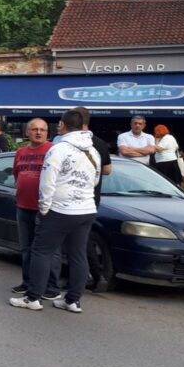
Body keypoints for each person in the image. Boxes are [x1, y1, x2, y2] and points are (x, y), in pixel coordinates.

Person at [11, 110, 100, 313]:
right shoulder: (92, 151)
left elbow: (47, 181)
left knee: (41, 251)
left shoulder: (58, 149)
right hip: (86, 209)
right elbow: (95, 180)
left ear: (62, 126)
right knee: (78, 255)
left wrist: (44, 207)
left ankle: (33, 297)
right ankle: (73, 300)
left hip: (60, 209)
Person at [10, 119, 59, 296]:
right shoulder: (21, 152)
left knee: (48, 250)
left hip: (46, 209)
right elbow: (17, 174)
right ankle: (28, 282)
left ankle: (51, 287)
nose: (39, 132)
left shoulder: (53, 151)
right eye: (35, 129)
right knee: (26, 247)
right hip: (23, 206)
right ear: (27, 132)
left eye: (43, 130)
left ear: (48, 133)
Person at [72, 107, 113, 290]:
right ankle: (95, 276)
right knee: (83, 238)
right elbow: (108, 170)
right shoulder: (100, 143)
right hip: (92, 197)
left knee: (77, 241)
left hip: (73, 197)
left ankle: (88, 277)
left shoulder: (70, 144)